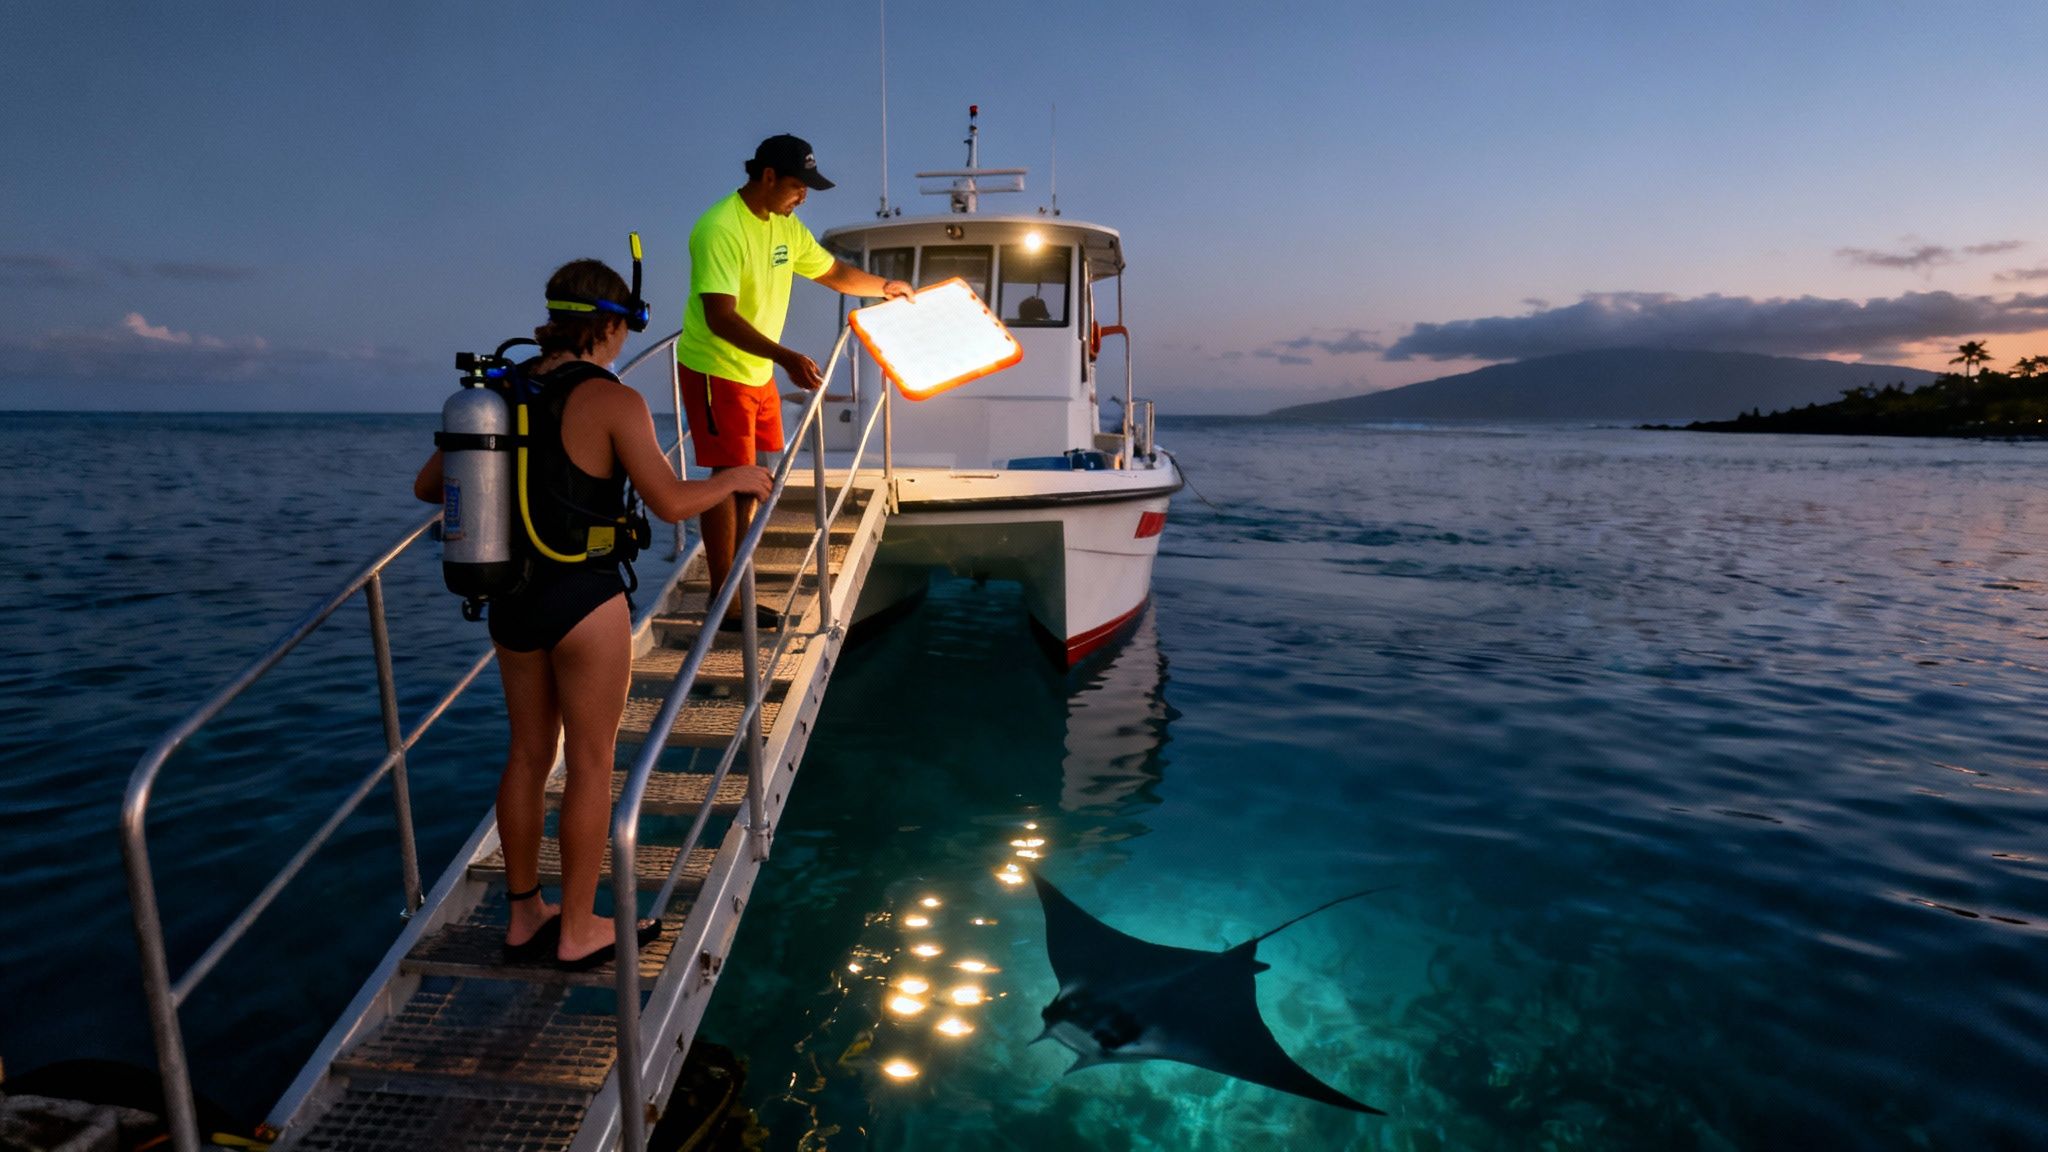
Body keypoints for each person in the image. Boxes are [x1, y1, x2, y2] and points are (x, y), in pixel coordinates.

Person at [415, 259, 772, 968]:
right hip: (585, 600)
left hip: (510, 598)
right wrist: (732, 478)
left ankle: (525, 919)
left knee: (525, 754)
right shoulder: (614, 401)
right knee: (590, 764)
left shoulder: (500, 392)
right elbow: (671, 503)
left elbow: (431, 486)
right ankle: (578, 928)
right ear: (612, 325)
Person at [676, 133, 913, 629]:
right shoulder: (720, 227)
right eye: (797, 185)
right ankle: (725, 602)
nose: (803, 195)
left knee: (753, 483)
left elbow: (835, 274)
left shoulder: (787, 228)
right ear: (766, 177)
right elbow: (719, 317)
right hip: (717, 366)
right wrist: (785, 357)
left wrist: (885, 288)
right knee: (728, 480)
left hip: (757, 368)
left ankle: (734, 591)